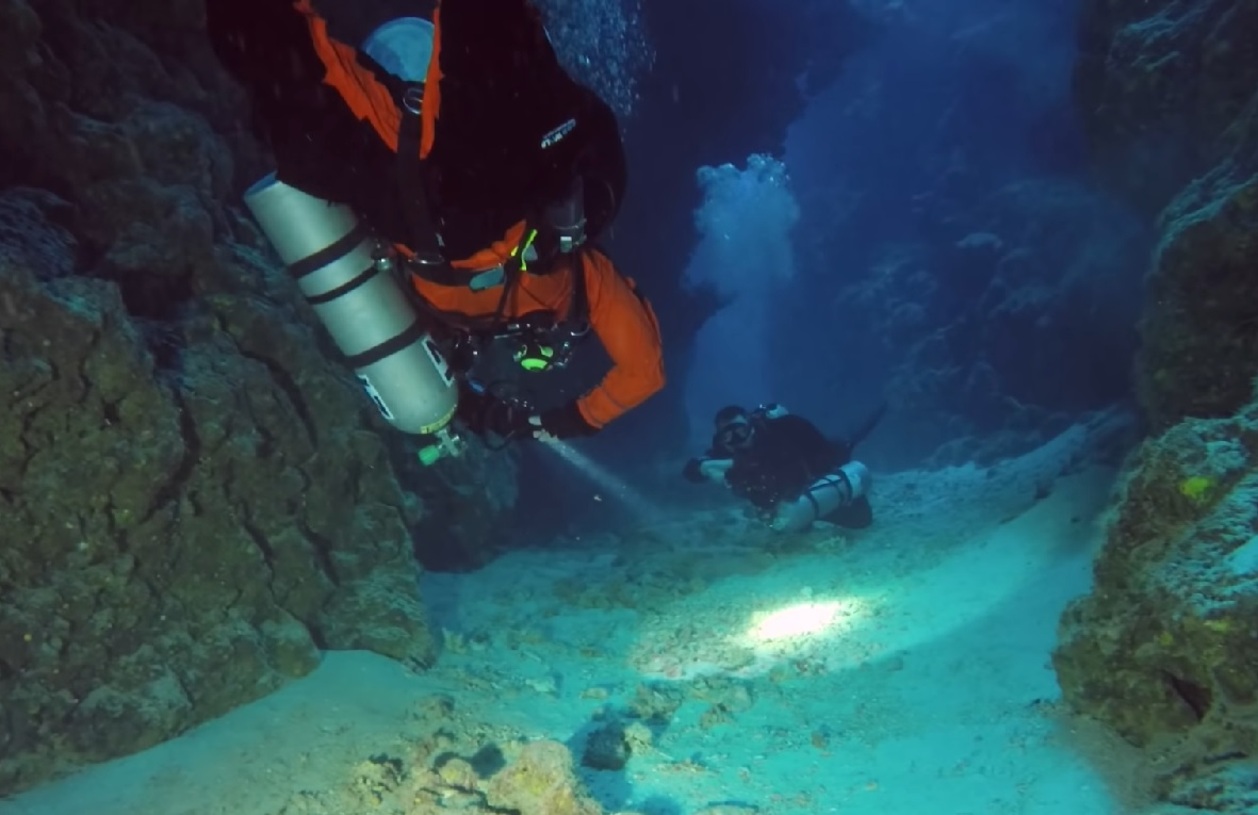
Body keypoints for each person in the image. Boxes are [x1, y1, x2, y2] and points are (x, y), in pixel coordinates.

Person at [206, 0, 665, 448]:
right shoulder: (587, 280)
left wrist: (491, 412)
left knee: (263, 41)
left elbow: (428, 377)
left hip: (406, 183)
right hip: (443, 185)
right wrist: (567, 420)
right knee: (269, 52)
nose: (535, 345)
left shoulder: (461, 330)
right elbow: (644, 372)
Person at [683, 402, 885, 532]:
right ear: (721, 440)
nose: (736, 440)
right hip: (788, 498)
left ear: (751, 426)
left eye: (740, 431)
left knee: (860, 520)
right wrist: (704, 467)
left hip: (818, 473)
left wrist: (723, 464)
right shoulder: (724, 451)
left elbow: (768, 459)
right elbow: (691, 471)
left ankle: (878, 411)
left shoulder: (779, 431)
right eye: (727, 436)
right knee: (796, 526)